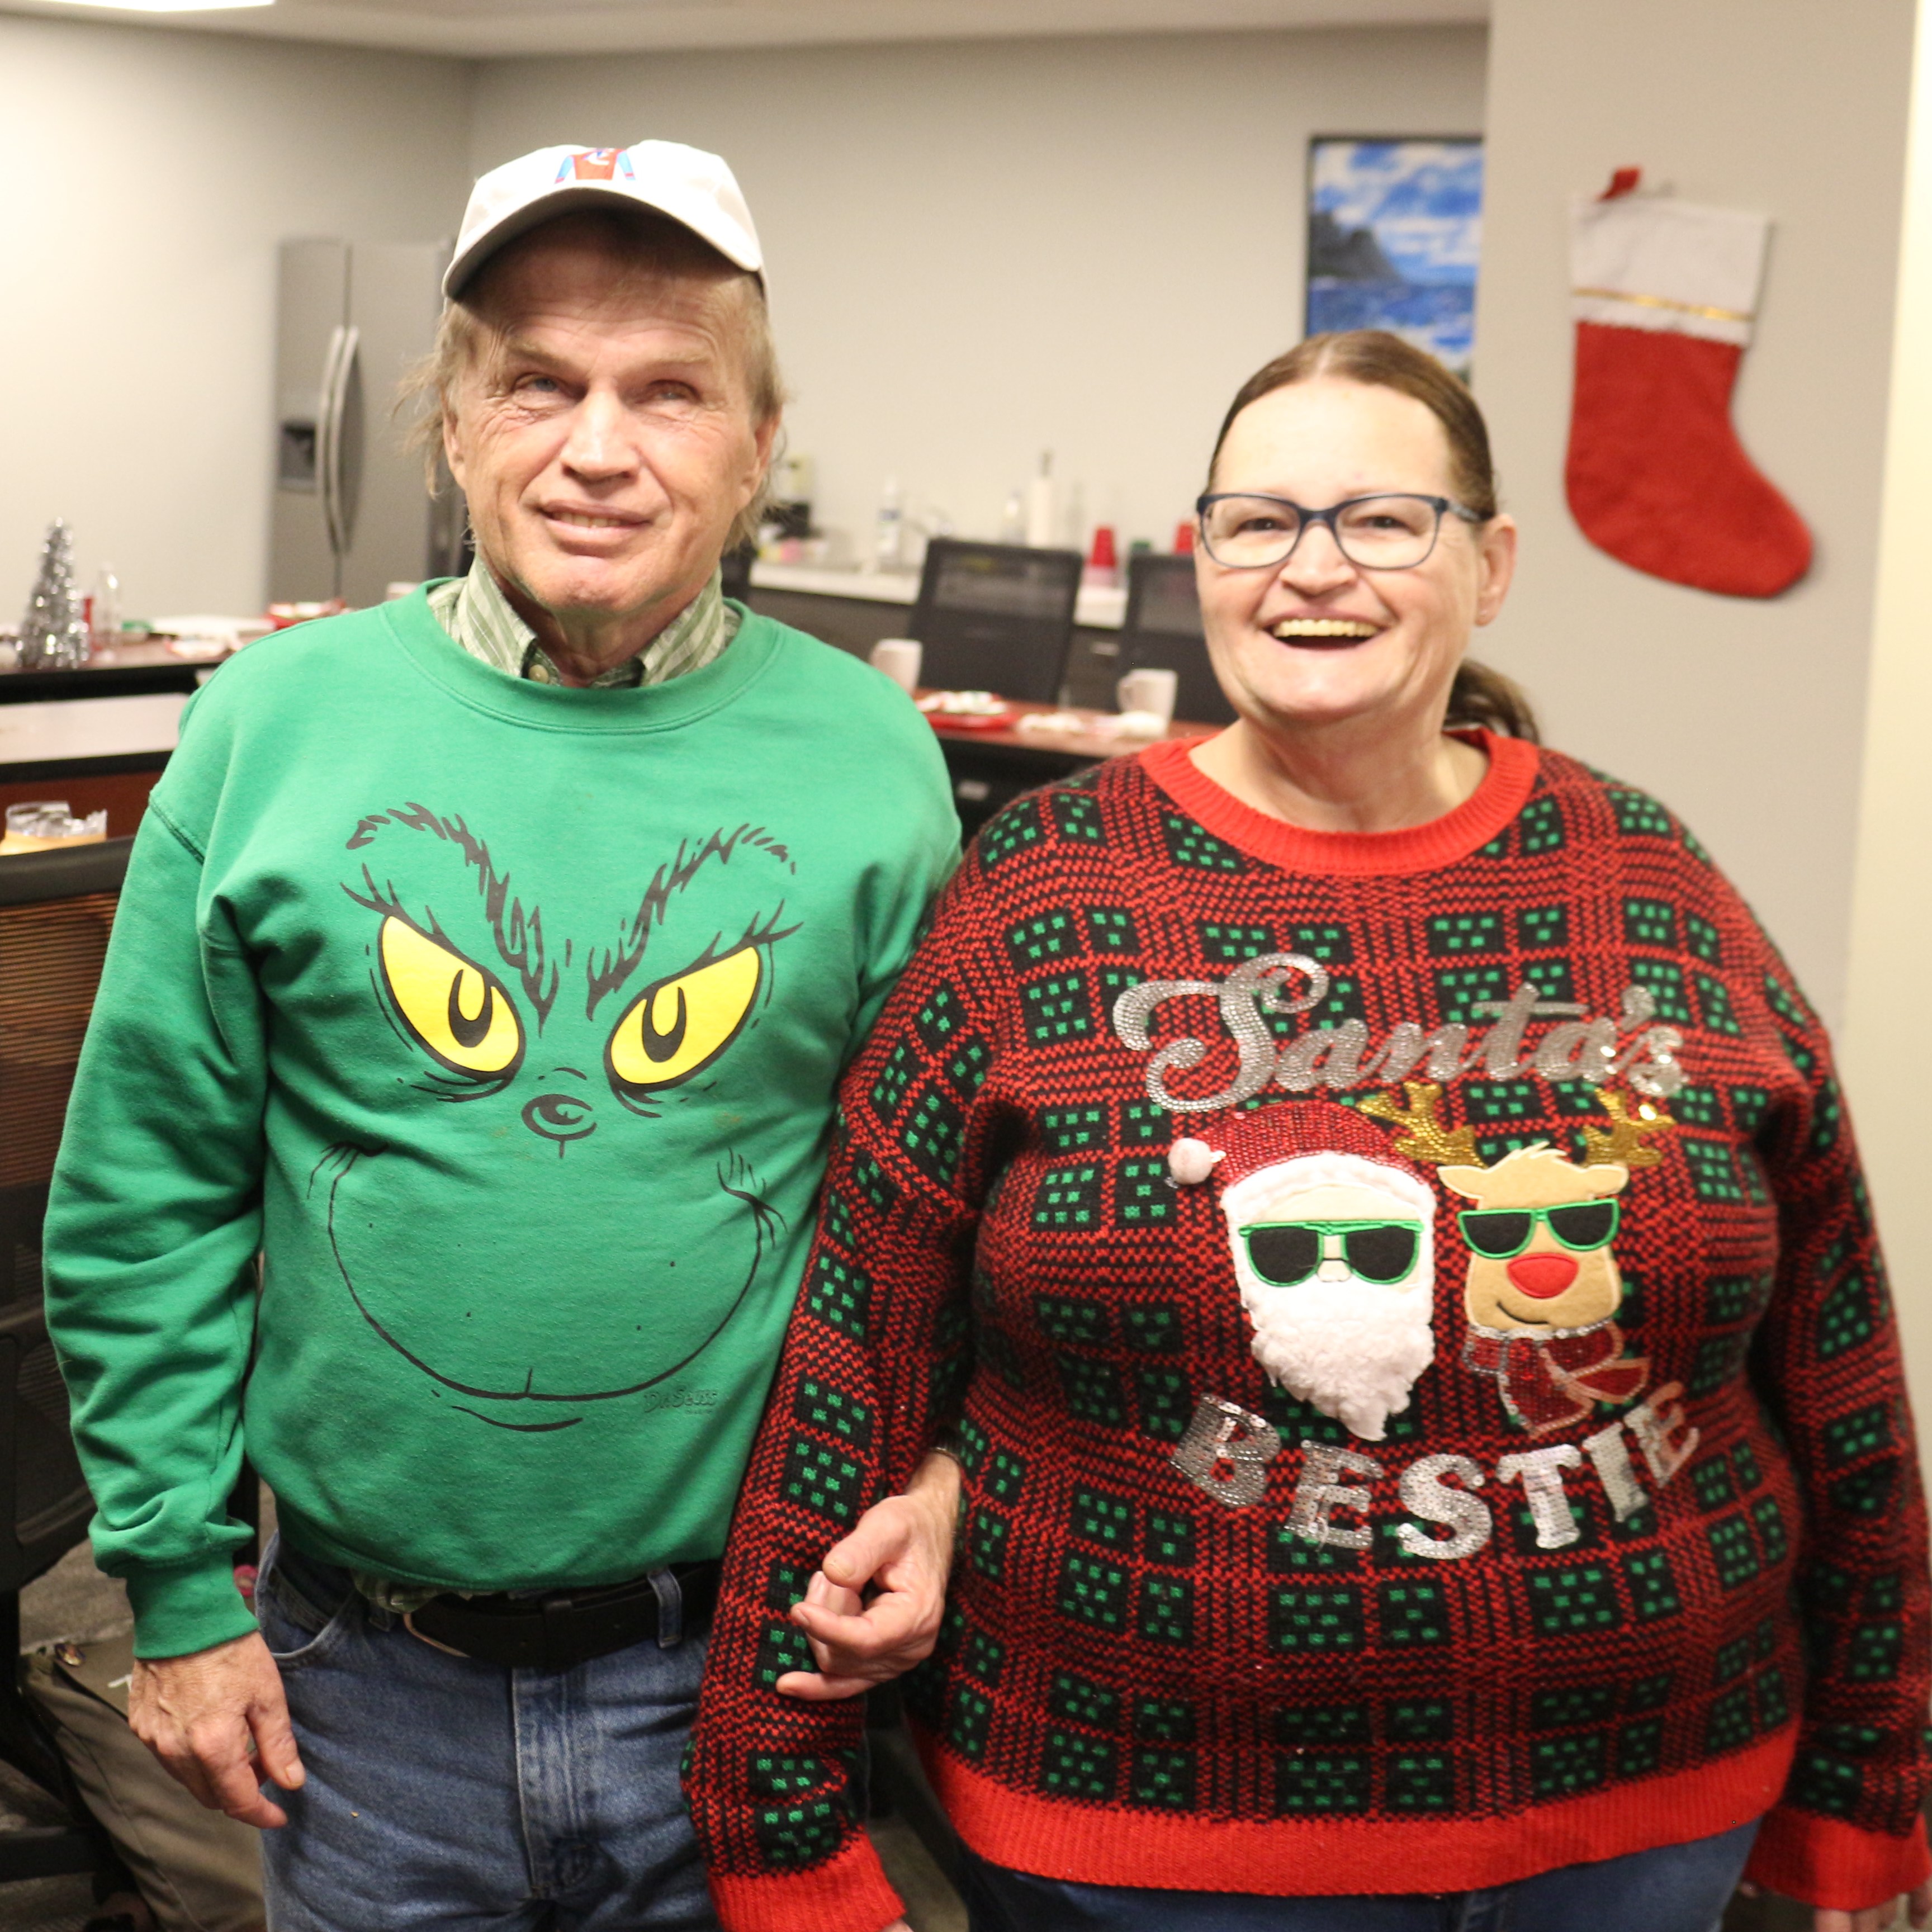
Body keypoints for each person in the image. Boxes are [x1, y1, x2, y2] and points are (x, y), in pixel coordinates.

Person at [685, 331, 1932, 1932]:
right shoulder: (1049, 890)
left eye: (1381, 520)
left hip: (1648, 1804)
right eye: (1259, 521)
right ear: (1204, 556)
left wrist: (1869, 1778)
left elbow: (1838, 1359)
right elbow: (855, 1345)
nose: (1311, 570)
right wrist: (776, 1818)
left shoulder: (1649, 877)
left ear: (1489, 566)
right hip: (1135, 1835)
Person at [43, 139, 958, 1929]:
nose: (598, 449)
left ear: (760, 444)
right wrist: (174, 1587)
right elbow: (147, 1190)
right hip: (354, 1688)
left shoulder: (874, 761)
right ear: (455, 427)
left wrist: (936, 1489)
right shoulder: (272, 727)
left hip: (746, 1672)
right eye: (539, 383)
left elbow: (939, 1221)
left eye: (668, 390)